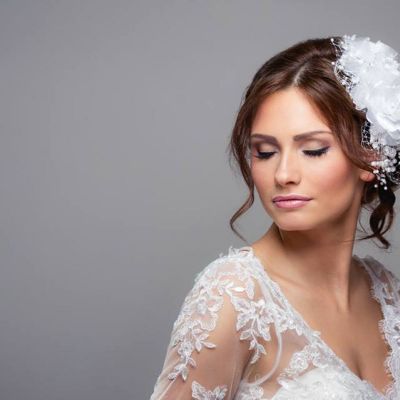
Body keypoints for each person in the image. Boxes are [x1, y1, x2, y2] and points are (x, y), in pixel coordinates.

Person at [148, 34, 400, 399]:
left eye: (313, 150)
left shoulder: (386, 292)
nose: (283, 175)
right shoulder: (235, 297)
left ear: (370, 157)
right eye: (265, 152)